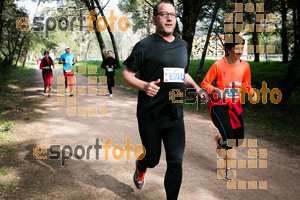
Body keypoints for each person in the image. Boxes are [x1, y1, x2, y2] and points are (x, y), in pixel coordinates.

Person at [121, 1, 200, 199]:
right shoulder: (144, 46)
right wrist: (144, 86)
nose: (169, 17)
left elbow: (181, 74)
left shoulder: (183, 45)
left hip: (175, 113)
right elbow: (126, 75)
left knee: (175, 161)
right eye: (164, 14)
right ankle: (141, 165)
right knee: (153, 159)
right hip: (151, 114)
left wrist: (197, 88)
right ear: (155, 19)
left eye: (172, 14)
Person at [201, 35, 257, 180]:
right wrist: (216, 91)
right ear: (228, 49)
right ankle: (227, 167)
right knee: (230, 139)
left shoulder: (245, 66)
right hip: (217, 105)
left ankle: (220, 142)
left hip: (235, 105)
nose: (240, 51)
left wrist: (251, 92)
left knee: (238, 139)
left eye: (242, 47)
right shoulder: (218, 65)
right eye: (236, 48)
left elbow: (246, 84)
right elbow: (205, 84)